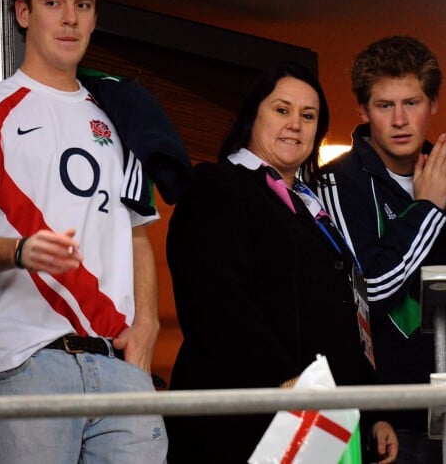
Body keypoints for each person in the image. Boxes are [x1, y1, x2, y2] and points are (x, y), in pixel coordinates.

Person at [0, 0, 169, 463]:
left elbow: (137, 230)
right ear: (23, 12)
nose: (69, 18)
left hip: (120, 367)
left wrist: (147, 327)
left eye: (83, 5)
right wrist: (20, 251)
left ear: (94, 18)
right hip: (24, 366)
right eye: (54, 3)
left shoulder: (120, 114)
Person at [165, 63, 398, 464]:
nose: (295, 124)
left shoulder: (313, 209)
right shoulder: (218, 186)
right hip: (242, 424)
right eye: (281, 110)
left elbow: (342, 321)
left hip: (320, 428)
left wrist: (369, 410)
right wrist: (281, 380)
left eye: (308, 116)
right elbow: (214, 305)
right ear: (252, 115)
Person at [315, 35, 446, 463]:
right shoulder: (338, 183)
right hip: (393, 423)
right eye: (384, 105)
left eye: (411, 103)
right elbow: (372, 288)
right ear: (362, 110)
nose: (399, 120)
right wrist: (427, 208)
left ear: (432, 104)